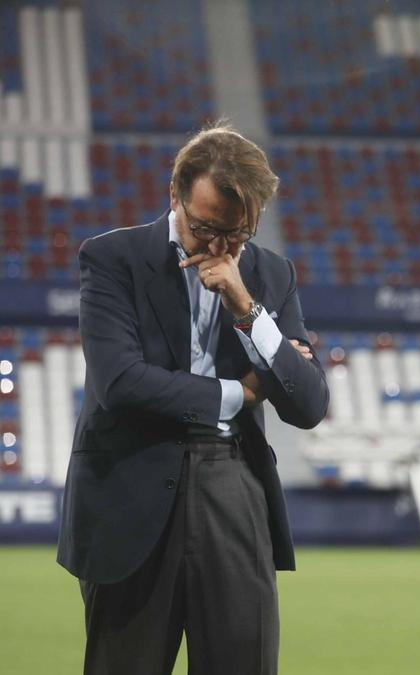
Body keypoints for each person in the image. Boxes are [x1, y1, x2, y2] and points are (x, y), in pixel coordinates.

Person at [57, 122, 329, 674]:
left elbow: (307, 404)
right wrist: (239, 392)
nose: (220, 247)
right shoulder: (113, 258)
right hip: (132, 480)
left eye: (239, 234)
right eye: (206, 228)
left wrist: (247, 308)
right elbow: (119, 383)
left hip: (234, 483)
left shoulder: (270, 274)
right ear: (173, 195)